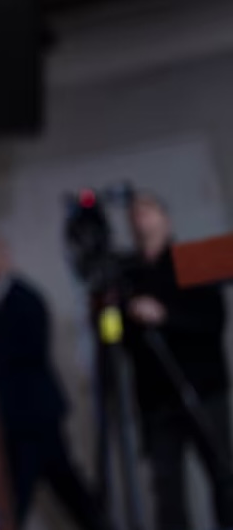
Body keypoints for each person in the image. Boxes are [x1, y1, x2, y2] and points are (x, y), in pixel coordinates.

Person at [0, 232, 104, 529]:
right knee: (64, 488)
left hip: (32, 416)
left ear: (6, 257)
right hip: (25, 417)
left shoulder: (24, 297)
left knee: (20, 494)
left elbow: (31, 348)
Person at [123, 190, 233, 530]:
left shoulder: (191, 260)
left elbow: (213, 320)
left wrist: (165, 315)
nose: (141, 218)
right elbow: (123, 344)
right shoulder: (128, 278)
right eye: (135, 213)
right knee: (167, 490)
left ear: (165, 218)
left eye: (148, 210)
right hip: (157, 402)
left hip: (202, 389)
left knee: (223, 475)